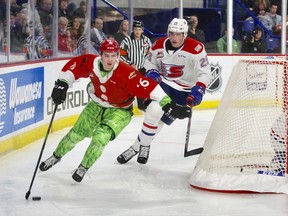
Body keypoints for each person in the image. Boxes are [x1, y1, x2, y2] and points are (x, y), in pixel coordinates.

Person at [39, 39, 187, 182]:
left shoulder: (127, 73)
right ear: (101, 55)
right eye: (106, 55)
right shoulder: (91, 63)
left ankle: (83, 167)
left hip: (119, 111)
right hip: (96, 105)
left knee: (100, 138)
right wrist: (62, 83)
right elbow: (75, 66)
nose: (110, 60)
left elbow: (150, 87)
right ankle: (55, 157)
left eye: (113, 56)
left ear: (118, 56)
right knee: (76, 134)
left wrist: (170, 105)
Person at [117, 18, 212, 164]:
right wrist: (152, 71)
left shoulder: (196, 48)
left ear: (185, 34)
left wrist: (199, 89)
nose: (174, 37)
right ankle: (144, 146)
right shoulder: (158, 45)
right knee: (154, 111)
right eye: (172, 33)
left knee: (161, 122)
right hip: (165, 84)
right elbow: (148, 62)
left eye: (178, 34)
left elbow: (205, 73)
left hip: (185, 91)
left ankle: (137, 147)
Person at [120, 20, 152, 111]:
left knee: (141, 88)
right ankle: (127, 107)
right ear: (133, 30)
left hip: (142, 68)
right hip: (129, 69)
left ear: (142, 30)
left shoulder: (146, 40)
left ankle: (141, 106)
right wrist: (130, 63)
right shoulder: (127, 40)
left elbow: (149, 53)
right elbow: (121, 54)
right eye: (135, 29)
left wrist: (146, 64)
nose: (137, 31)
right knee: (129, 88)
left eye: (139, 29)